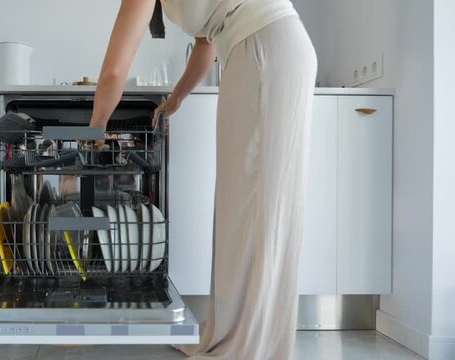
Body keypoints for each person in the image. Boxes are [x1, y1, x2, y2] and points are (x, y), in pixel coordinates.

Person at [88, 0, 317, 359]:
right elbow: (206, 43)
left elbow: (114, 71)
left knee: (258, 206)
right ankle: (231, 334)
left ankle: (249, 345)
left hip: (265, 50)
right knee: (242, 205)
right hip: (263, 48)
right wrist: (176, 96)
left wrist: (96, 126)